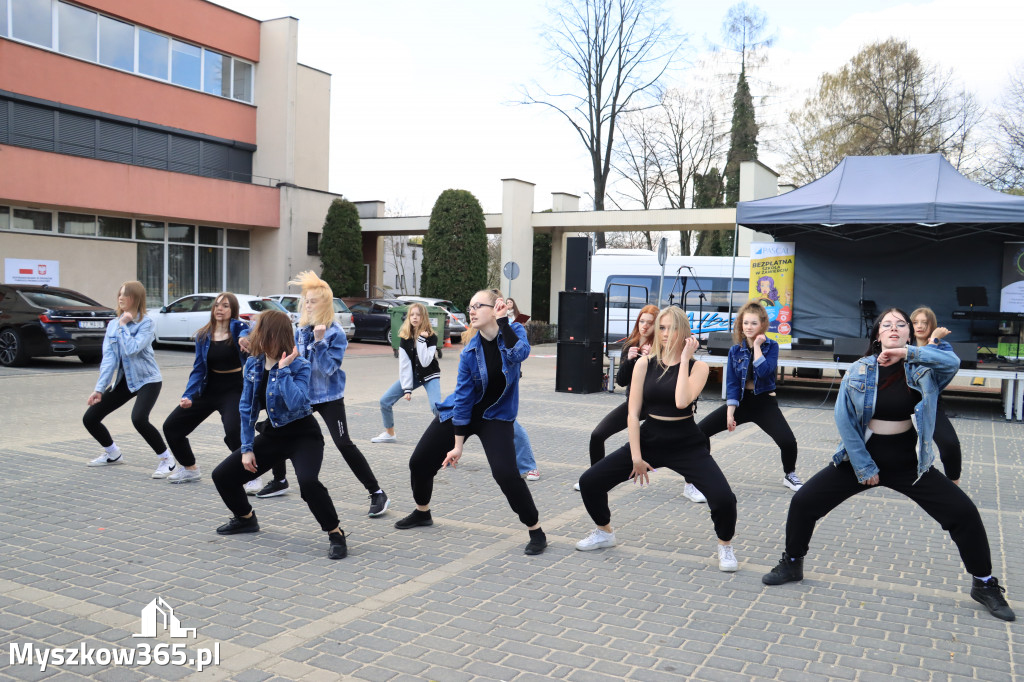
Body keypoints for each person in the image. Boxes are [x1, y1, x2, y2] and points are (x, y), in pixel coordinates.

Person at [762, 308, 1015, 622]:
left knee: (963, 513)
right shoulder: (859, 369)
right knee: (803, 502)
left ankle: (984, 583)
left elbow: (952, 362)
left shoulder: (924, 367)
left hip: (909, 463)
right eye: (887, 324)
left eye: (901, 325)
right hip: (860, 459)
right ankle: (792, 561)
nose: (894, 328)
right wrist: (864, 466)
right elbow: (844, 419)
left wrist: (909, 352)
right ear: (878, 334)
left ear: (909, 334)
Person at [575, 307, 740, 573]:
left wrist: (685, 359)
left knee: (724, 499)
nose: (664, 334)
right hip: (651, 438)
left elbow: (681, 401)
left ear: (684, 332)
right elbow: (632, 413)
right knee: (589, 482)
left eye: (671, 328)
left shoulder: (699, 366)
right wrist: (636, 457)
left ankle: (725, 545)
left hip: (686, 442)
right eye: (661, 328)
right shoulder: (645, 363)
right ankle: (604, 532)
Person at [393, 289, 548, 556]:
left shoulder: (514, 333)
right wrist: (458, 444)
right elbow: (463, 399)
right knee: (419, 462)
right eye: (470, 306)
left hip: (496, 417)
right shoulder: (470, 352)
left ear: (496, 308)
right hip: (462, 412)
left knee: (506, 474)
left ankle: (536, 530)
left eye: (478, 305)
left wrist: (503, 323)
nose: (472, 311)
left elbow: (519, 354)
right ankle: (422, 513)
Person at [210, 310, 348, 559]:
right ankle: (246, 519)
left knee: (308, 484)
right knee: (222, 476)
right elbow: (247, 407)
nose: (254, 335)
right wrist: (247, 447)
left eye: (259, 330)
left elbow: (298, 403)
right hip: (274, 436)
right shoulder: (253, 363)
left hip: (304, 436)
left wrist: (282, 370)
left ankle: (335, 533)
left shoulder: (300, 364)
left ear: (272, 334)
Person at [256, 272, 389, 517]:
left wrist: (319, 342)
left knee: (343, 443)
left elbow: (329, 369)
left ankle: (377, 492)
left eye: (313, 300)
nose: (308, 304)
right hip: (303, 395)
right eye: (306, 300)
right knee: (276, 426)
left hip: (328, 397)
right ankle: (280, 480)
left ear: (325, 303)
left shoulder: (334, 332)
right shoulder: (300, 330)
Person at [582, 305, 706, 501]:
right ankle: (597, 476)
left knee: (696, 439)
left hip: (662, 406)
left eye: (650, 322)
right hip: (637, 402)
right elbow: (621, 381)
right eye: (642, 321)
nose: (645, 326)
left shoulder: (662, 347)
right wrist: (630, 360)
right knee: (598, 434)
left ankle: (691, 483)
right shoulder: (630, 345)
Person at [698, 300, 803, 491]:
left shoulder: (771, 346)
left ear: (762, 324)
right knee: (700, 431)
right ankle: (703, 474)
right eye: (746, 323)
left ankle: (790, 474)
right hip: (741, 403)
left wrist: (756, 347)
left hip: (764, 403)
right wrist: (730, 412)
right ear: (741, 324)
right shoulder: (735, 350)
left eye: (754, 323)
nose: (749, 327)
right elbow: (731, 383)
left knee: (788, 441)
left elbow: (764, 372)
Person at [83, 281, 172, 475]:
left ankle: (167, 459)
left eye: (126, 295)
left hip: (148, 379)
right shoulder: (112, 325)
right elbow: (109, 360)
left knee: (139, 419)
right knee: (90, 418)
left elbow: (132, 349)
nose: (121, 298)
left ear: (136, 298)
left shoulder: (146, 323)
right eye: (119, 294)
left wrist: (123, 324)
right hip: (125, 380)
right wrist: (99, 389)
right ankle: (112, 453)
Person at [161, 293, 249, 484]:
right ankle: (190, 468)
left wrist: (244, 339)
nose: (219, 309)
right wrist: (188, 395)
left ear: (233, 310)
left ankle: (250, 475)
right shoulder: (204, 335)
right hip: (208, 389)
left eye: (225, 306)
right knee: (172, 427)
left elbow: (246, 330)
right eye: (217, 305)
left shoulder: (238, 328)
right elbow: (199, 368)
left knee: (234, 433)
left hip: (234, 389)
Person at [371, 302, 441, 444]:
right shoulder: (405, 338)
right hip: (413, 376)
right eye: (412, 314)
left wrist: (421, 340)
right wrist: (407, 389)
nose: (415, 317)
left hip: (430, 375)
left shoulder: (431, 337)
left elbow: (426, 361)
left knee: (437, 408)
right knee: (385, 401)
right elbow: (405, 365)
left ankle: (447, 439)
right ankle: (389, 434)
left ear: (424, 317)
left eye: (418, 315)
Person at [910, 306, 962, 484]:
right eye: (916, 322)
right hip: (903, 400)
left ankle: (954, 483)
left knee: (950, 445)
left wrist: (934, 341)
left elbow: (948, 364)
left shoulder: (942, 346)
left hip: (928, 402)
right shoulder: (905, 344)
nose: (920, 326)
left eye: (925, 322)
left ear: (933, 325)